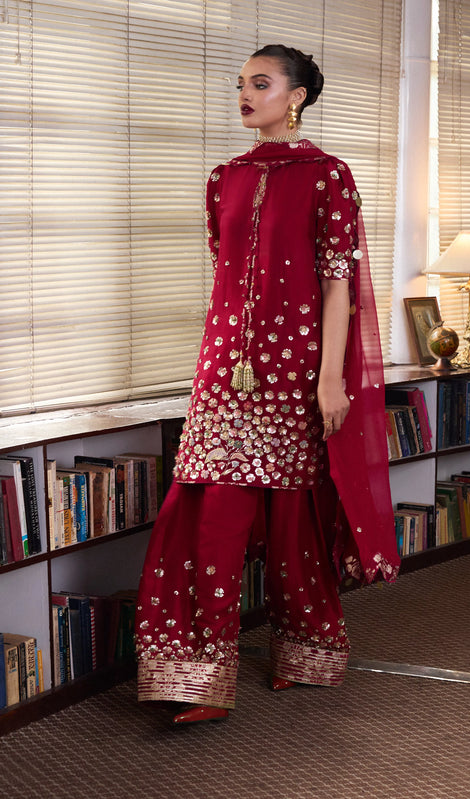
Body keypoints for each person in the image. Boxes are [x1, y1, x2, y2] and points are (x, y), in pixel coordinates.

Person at [135, 44, 400, 725]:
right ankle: (198, 675)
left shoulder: (327, 176)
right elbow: (231, 279)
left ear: (297, 96)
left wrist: (329, 379)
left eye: (260, 83)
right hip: (225, 371)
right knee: (205, 514)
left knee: (293, 517)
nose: (245, 95)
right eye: (240, 85)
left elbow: (337, 284)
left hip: (297, 375)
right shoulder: (223, 177)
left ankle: (307, 649)